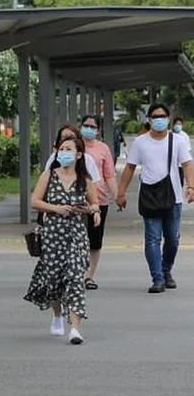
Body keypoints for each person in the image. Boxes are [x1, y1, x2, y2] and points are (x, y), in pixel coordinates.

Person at [25, 136, 101, 344]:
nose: (64, 152)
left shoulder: (84, 180)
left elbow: (95, 203)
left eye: (69, 149)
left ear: (78, 155)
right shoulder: (48, 175)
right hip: (53, 234)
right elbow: (35, 201)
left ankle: (75, 329)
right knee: (54, 279)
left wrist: (92, 210)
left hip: (76, 234)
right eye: (61, 149)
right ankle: (57, 314)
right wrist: (55, 208)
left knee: (75, 278)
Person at [116, 103, 194, 293]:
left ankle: (166, 270)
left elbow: (187, 164)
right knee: (152, 239)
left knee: (173, 239)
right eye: (155, 117)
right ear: (149, 120)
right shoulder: (140, 142)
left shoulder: (177, 141)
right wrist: (121, 193)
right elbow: (130, 167)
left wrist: (191, 187)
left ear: (168, 119)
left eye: (162, 116)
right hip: (149, 196)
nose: (159, 120)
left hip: (173, 197)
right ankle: (157, 278)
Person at [78, 115, 118, 289]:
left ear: (98, 130)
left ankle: (89, 276)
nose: (88, 129)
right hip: (77, 201)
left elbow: (109, 175)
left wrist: (118, 196)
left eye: (92, 127)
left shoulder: (103, 149)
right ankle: (75, 274)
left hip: (99, 200)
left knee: (94, 241)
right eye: (86, 125)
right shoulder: (73, 146)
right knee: (76, 239)